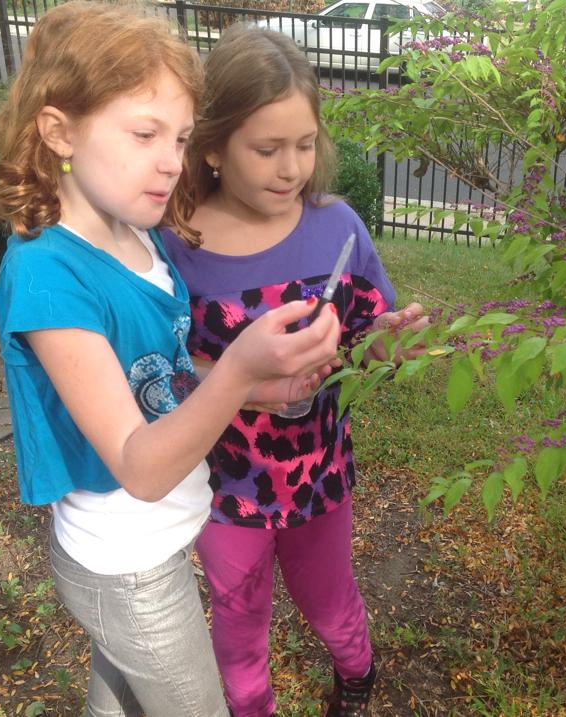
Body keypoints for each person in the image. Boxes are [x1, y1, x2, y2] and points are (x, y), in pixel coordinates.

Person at [0, 5, 340, 716]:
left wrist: (259, 389)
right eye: (144, 134)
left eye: (179, 138)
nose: (172, 161)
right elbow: (139, 466)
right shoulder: (50, 276)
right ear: (59, 131)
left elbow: (160, 378)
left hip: (159, 547)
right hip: (128, 567)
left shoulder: (134, 236)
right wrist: (239, 369)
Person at [161, 23, 428, 717]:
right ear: (212, 146)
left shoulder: (337, 228)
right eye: (267, 149)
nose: (291, 168)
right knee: (237, 616)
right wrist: (245, 383)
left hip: (319, 476)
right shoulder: (177, 244)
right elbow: (160, 372)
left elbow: (366, 339)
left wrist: (388, 345)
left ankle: (357, 675)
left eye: (305, 145)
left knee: (330, 599)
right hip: (222, 487)